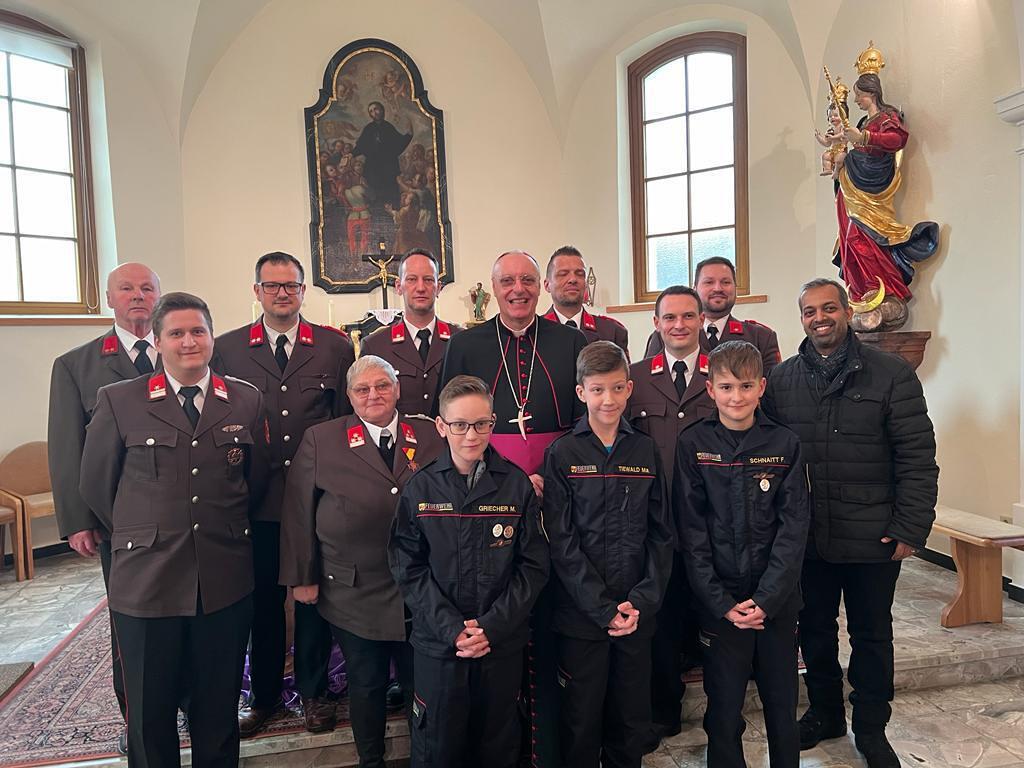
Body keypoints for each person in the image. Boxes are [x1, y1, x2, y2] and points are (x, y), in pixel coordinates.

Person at [80, 292, 268, 768]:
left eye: (198, 331)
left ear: (212, 336)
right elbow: (97, 486)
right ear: (158, 341)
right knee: (150, 713)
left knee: (217, 708)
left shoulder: (245, 399)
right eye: (177, 333)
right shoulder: (120, 400)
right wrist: (146, 531)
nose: (189, 342)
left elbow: (256, 481)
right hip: (148, 580)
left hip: (223, 578)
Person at [762, 278, 938, 768]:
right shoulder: (782, 380)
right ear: (801, 319)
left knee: (872, 636)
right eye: (810, 311)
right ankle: (824, 713)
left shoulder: (891, 374)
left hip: (872, 535)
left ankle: (871, 728)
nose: (820, 318)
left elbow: (917, 457)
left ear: (846, 312)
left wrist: (910, 527)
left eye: (829, 308)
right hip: (808, 538)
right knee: (815, 631)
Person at [437, 250, 585, 768]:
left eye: (527, 280)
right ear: (494, 288)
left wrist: (553, 475)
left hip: (559, 492)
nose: (518, 289)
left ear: (540, 287)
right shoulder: (466, 344)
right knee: (500, 605)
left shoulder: (570, 342)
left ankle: (548, 742)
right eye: (507, 281)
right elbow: (452, 420)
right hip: (488, 495)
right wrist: (513, 483)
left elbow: (584, 420)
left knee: (548, 613)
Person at [213, 251, 355, 737]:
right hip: (257, 498)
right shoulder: (228, 349)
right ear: (257, 291)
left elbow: (344, 421)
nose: (281, 293)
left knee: (314, 597)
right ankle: (265, 695)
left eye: (290, 285)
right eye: (271, 285)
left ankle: (315, 692)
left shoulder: (335, 347)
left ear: (303, 290)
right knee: (264, 602)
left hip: (317, 497)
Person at [280, 356, 443, 768]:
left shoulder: (429, 433)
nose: (373, 395)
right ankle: (371, 760)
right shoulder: (322, 439)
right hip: (352, 589)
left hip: (420, 587)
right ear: (350, 396)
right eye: (362, 389)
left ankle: (425, 758)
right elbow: (298, 511)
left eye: (382, 386)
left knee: (421, 683)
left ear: (397, 389)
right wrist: (302, 577)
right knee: (366, 683)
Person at [389, 375, 550, 767]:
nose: (471, 435)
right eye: (460, 424)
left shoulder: (515, 485)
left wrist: (491, 626)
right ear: (441, 426)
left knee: (499, 746)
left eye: (481, 424)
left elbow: (532, 566)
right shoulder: (420, 488)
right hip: (439, 647)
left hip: (500, 646)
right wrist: (452, 628)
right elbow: (408, 567)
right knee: (438, 749)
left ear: (493, 423)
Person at [47, 262, 161, 755]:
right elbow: (66, 447)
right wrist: (78, 520)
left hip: (185, 518)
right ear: (109, 299)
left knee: (184, 618)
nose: (138, 296)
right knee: (130, 625)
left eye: (147, 288)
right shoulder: (78, 365)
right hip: (121, 521)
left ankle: (180, 701)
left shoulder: (185, 349)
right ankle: (136, 717)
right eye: (127, 289)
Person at [677, 340, 809, 768]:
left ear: (762, 387)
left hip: (776, 604)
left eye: (746, 386)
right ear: (710, 389)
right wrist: (721, 602)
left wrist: (767, 599)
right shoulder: (693, 444)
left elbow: (793, 529)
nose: (737, 397)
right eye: (727, 387)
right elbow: (691, 531)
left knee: (782, 702)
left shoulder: (785, 443)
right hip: (720, 604)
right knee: (723, 706)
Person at [543, 342, 673, 767]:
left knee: (630, 718)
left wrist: (641, 601)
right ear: (581, 392)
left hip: (635, 613)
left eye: (617, 388)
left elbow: (660, 533)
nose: (608, 399)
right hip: (581, 617)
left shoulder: (645, 450)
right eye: (597, 390)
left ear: (630, 388)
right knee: (581, 717)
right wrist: (601, 609)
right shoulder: (562, 453)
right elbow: (562, 542)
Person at [627, 285, 714, 749]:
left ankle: (722, 713)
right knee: (658, 623)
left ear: (701, 320)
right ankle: (663, 711)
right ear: (656, 323)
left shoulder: (723, 373)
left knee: (710, 618)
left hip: (710, 523)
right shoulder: (635, 378)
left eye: (687, 316)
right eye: (669, 317)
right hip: (653, 526)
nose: (678, 325)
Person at [832, 73, 939, 305]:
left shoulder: (887, 116)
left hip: (872, 182)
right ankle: (859, 290)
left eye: (859, 95)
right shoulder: (862, 121)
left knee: (865, 235)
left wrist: (864, 137)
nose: (856, 100)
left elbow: (897, 140)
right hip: (852, 180)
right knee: (848, 237)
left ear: (872, 93)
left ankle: (881, 286)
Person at [360, 249, 461, 417]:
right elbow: (367, 409)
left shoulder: (459, 340)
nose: (420, 288)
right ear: (399, 287)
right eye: (412, 279)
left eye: (428, 280)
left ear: (438, 288)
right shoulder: (375, 346)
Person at [643, 257, 780, 376]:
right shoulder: (666, 335)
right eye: (709, 282)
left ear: (735, 288)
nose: (718, 288)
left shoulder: (761, 337)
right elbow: (652, 383)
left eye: (726, 282)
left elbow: (771, 390)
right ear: (695, 288)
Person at [541, 246, 629, 358]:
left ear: (586, 284)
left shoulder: (611, 331)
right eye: (563, 274)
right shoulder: (535, 332)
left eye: (580, 274)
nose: (573, 279)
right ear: (547, 285)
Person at [352, 100, 413, 211]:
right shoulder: (368, 128)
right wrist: (351, 154)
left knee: (391, 193)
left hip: (388, 167)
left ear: (382, 110)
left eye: (376, 109)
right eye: (371, 111)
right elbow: (360, 146)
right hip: (373, 168)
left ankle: (393, 217)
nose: (374, 112)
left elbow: (399, 144)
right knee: (375, 196)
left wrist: (409, 135)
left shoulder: (388, 127)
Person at [815, 101, 847, 177]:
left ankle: (837, 171)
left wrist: (833, 137)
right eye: (830, 116)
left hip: (841, 150)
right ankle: (827, 169)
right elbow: (827, 143)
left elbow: (843, 134)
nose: (832, 118)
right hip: (832, 150)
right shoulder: (830, 130)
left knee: (838, 159)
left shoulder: (842, 127)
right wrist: (818, 137)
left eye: (835, 115)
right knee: (825, 156)